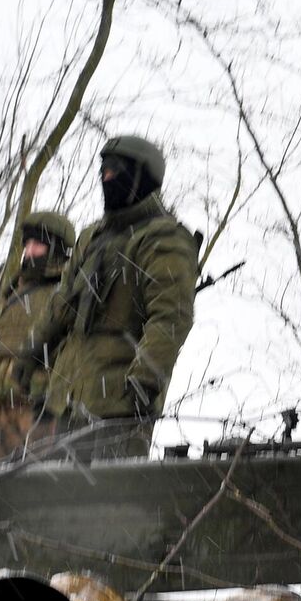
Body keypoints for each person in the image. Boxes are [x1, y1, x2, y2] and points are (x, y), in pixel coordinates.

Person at [32, 135, 199, 460]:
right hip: (64, 402)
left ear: (143, 177)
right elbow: (61, 308)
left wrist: (144, 381)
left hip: (118, 407)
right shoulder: (91, 238)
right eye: (103, 171)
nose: (107, 179)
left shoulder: (164, 237)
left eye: (116, 171)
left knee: (103, 505)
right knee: (44, 503)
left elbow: (170, 317)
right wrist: (31, 355)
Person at [0, 210, 74, 461]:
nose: (29, 252)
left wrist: (52, 399)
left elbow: (70, 350)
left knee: (32, 477)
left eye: (37, 245)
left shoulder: (65, 292)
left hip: (35, 401)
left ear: (56, 249)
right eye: (27, 245)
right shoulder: (9, 292)